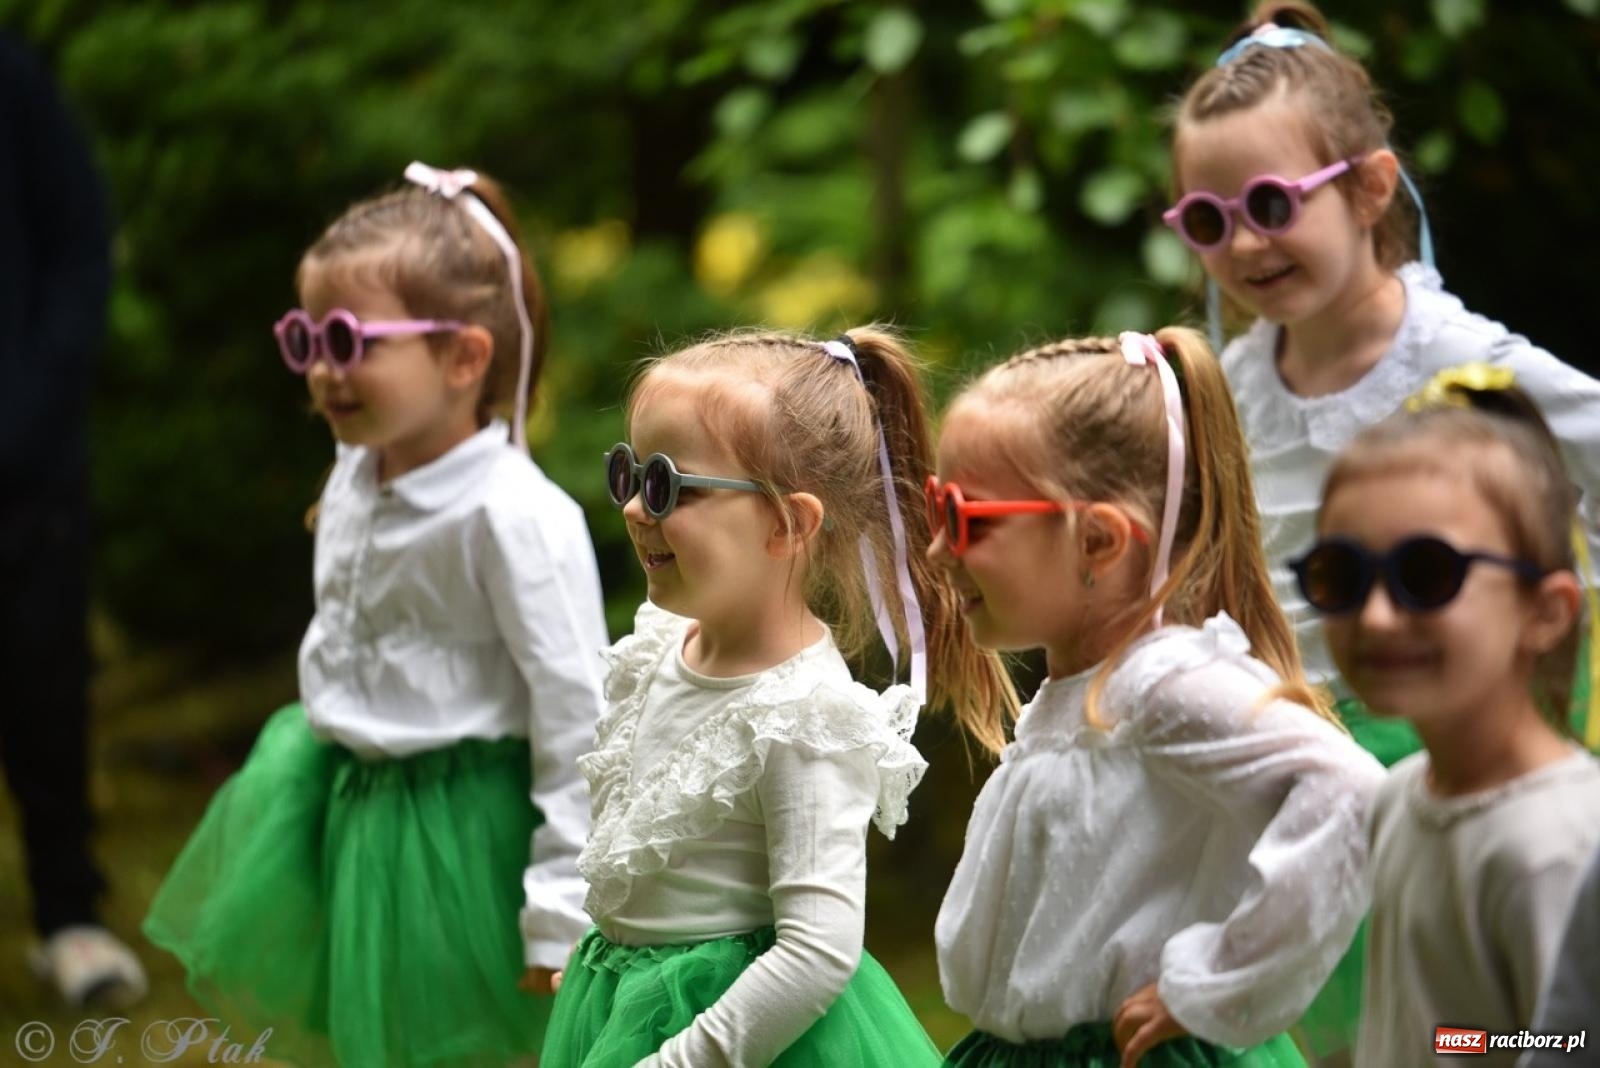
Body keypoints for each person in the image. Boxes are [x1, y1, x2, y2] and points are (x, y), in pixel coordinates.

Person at [1167, 7, 1600, 1055]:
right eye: (1209, 220)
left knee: (1494, 1018)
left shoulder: (1460, 362)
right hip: (1307, 771)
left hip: (1458, 746)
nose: (1245, 243)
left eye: (1271, 203)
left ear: (1366, 189)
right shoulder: (1232, 391)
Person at [143, 162, 608, 1067]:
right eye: (307, 337)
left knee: (456, 1048)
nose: (323, 370)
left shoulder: (513, 516)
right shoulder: (357, 468)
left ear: (464, 356)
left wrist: (560, 905)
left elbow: (580, 713)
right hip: (354, 810)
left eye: (351, 340)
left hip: (462, 835)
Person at [540, 327, 1015, 1066]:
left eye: (667, 485)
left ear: (788, 523)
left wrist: (680, 1059)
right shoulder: (658, 647)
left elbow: (817, 953)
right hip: (623, 1015)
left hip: (745, 1045)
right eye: (628, 474)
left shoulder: (804, 718)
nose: (635, 508)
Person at [931, 327, 1383, 1067]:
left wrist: (1216, 981)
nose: (934, 552)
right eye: (932, 507)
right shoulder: (1079, 690)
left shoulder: (1165, 682)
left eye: (964, 520)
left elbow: (1352, 793)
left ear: (1100, 542)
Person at [1294, 369, 1600, 1068]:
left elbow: (1569, 1042)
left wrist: (1449, 1046)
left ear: (1546, 611)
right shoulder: (1400, 795)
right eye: (1341, 575)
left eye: (1427, 575)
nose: (1374, 616)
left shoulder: (1556, 846)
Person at [0, 30, 149, 1007]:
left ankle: (70, 918)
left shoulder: (9, 76)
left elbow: (80, 243)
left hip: (24, 463)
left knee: (41, 684)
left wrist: (29, 414)